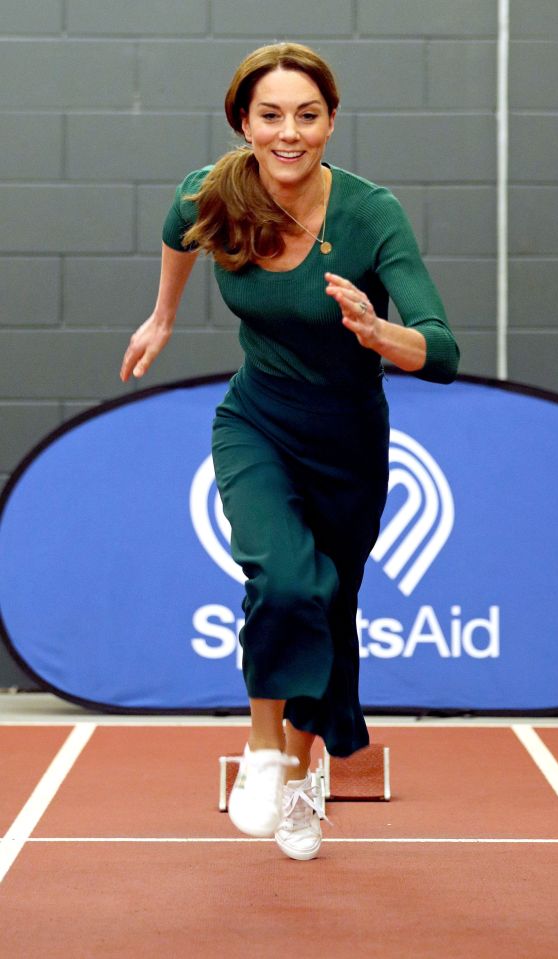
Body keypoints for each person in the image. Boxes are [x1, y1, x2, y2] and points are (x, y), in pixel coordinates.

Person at [120, 42, 459, 861]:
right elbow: (176, 231)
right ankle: (265, 751)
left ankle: (305, 777)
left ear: (331, 121)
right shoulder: (216, 192)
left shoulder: (370, 215)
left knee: (328, 608)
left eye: (307, 115)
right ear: (244, 121)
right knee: (284, 576)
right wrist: (163, 315)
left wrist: (381, 333)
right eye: (270, 115)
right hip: (257, 422)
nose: (289, 132)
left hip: (347, 444)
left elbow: (441, 349)